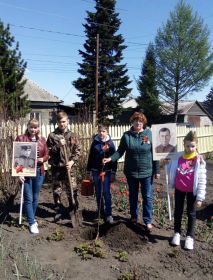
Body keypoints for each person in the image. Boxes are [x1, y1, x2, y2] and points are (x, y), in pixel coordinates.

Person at [103, 112, 160, 230]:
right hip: (131, 172)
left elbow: (156, 154)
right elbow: (120, 151)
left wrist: (157, 170)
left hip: (147, 172)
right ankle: (134, 217)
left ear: (143, 122)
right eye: (135, 121)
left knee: (147, 197)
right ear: (132, 122)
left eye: (140, 121)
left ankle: (147, 220)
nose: (138, 123)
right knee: (133, 196)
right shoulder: (127, 136)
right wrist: (110, 158)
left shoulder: (150, 134)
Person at [168, 131, 207, 250]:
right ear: (184, 144)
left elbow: (202, 179)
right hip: (179, 189)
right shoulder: (177, 157)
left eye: (193, 146)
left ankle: (190, 237)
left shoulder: (199, 161)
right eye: (188, 145)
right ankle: (177, 233)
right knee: (178, 211)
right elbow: (171, 170)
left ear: (196, 146)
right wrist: (170, 184)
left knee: (191, 213)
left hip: (192, 192)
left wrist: (200, 197)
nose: (190, 148)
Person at [15, 119, 49, 234]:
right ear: (28, 127)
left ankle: (32, 218)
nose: (33, 130)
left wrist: (43, 159)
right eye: (31, 127)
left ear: (38, 128)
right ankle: (31, 223)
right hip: (26, 172)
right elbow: (17, 157)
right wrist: (19, 174)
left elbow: (47, 154)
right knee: (28, 198)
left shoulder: (42, 140)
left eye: (35, 127)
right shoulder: (21, 138)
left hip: (39, 172)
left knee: (35, 197)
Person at [47, 111, 81, 221]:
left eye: (64, 121)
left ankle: (73, 208)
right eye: (60, 122)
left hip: (69, 167)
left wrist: (72, 162)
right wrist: (58, 145)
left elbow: (78, 151)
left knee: (72, 188)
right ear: (57, 122)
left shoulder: (73, 135)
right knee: (57, 190)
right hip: (57, 167)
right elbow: (48, 152)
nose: (62, 124)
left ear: (68, 121)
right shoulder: (52, 136)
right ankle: (58, 209)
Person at [86, 124, 117, 224]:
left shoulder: (110, 144)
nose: (101, 133)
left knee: (106, 193)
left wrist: (113, 171)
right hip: (95, 170)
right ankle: (100, 211)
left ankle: (108, 214)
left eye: (103, 131)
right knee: (98, 192)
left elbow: (114, 159)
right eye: (100, 131)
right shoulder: (95, 142)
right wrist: (88, 170)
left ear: (107, 132)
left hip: (106, 171)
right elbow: (90, 157)